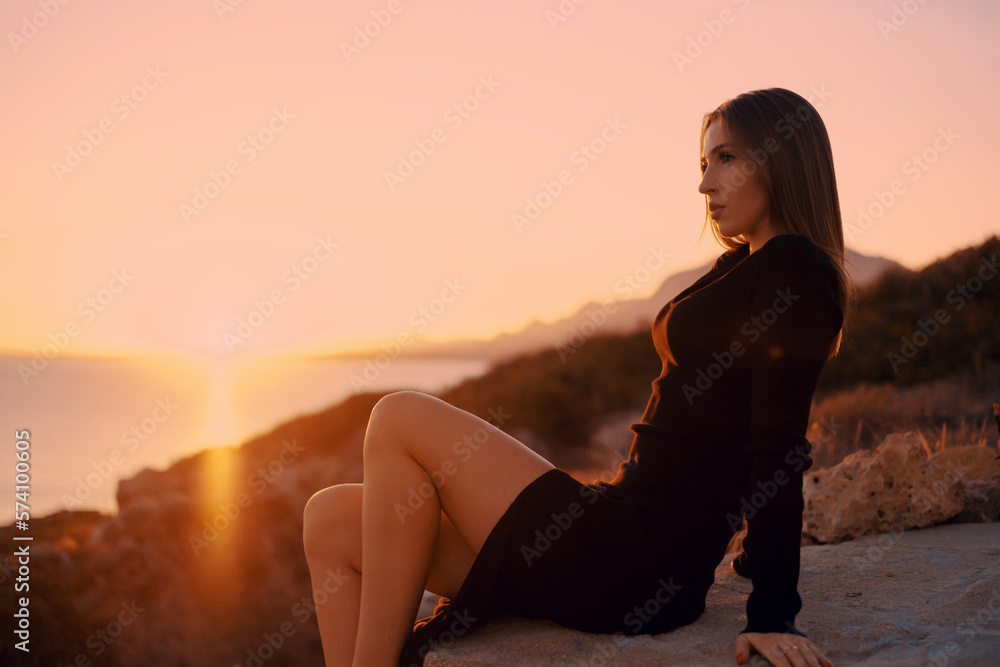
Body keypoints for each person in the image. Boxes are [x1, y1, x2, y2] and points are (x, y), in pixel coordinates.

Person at [302, 87, 848, 667]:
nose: (705, 183)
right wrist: (751, 558)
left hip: (634, 560)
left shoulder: (796, 268)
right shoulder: (741, 265)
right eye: (704, 163)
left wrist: (772, 612)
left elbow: (779, 447)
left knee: (397, 415)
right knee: (330, 520)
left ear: (781, 157)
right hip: (613, 530)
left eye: (727, 159)